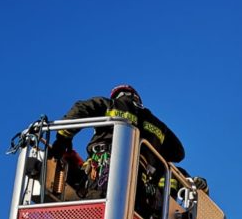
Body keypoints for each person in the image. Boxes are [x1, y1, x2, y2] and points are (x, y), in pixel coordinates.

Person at [48, 85, 185, 200]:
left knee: (98, 214)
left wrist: (62, 139)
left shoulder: (111, 105)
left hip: (104, 173)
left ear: (117, 96)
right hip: (138, 183)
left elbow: (81, 108)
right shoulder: (158, 125)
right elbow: (178, 153)